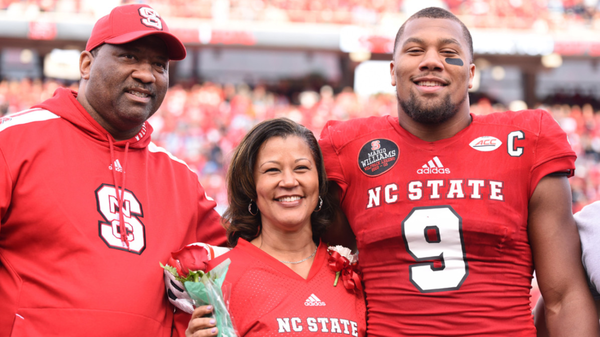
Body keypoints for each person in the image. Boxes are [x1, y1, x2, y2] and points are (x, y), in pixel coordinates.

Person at [318, 6, 598, 336]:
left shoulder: (525, 142)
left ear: (471, 72)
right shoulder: (349, 148)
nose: (432, 61)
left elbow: (563, 297)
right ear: (393, 71)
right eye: (415, 50)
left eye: (449, 52)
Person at [0, 4, 226, 336]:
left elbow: (237, 265)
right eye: (129, 57)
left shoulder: (182, 180)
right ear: (86, 64)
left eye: (159, 65)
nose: (146, 74)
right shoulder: (15, 139)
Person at [184, 118, 366, 337]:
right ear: (250, 186)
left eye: (301, 168)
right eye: (272, 170)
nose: (289, 181)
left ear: (319, 182)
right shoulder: (219, 279)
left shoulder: (352, 272)